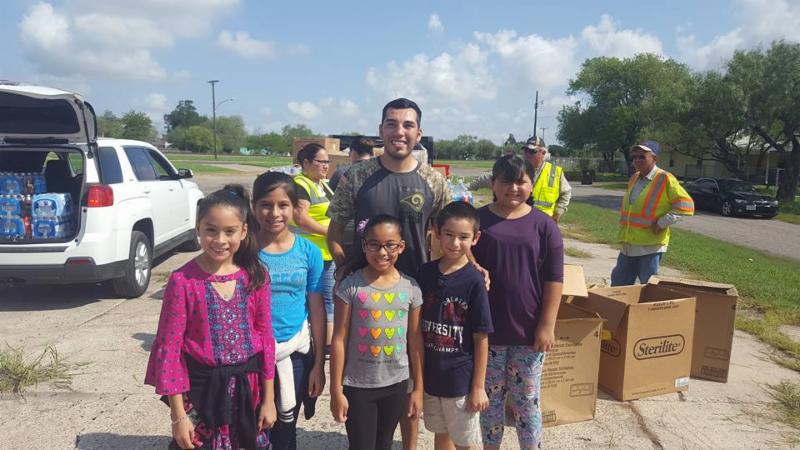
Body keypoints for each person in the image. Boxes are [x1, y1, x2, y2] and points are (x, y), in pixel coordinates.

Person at [327, 97, 451, 449]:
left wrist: (469, 265)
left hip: (416, 293)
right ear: (381, 130)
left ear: (419, 133)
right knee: (369, 368)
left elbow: (447, 233)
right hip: (368, 294)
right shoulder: (358, 176)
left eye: (408, 125)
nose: (400, 132)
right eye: (392, 124)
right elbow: (334, 232)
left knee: (408, 374)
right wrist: (345, 267)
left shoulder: (433, 180)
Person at [145, 184, 276, 450]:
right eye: (211, 230)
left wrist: (269, 399)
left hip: (248, 391)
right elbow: (170, 349)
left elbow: (265, 338)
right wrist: (178, 415)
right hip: (200, 394)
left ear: (244, 231)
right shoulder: (182, 280)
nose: (220, 240)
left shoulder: (256, 277)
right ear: (198, 230)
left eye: (229, 231)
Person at [471, 155, 564, 450]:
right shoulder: (478, 220)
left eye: (521, 181)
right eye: (506, 181)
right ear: (494, 184)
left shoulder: (544, 225)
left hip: (528, 332)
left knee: (527, 401)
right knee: (490, 400)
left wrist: (547, 325)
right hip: (487, 333)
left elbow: (554, 278)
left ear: (531, 184)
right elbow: (458, 252)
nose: (513, 188)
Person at [329, 215, 425, 450]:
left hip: (396, 384)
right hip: (358, 385)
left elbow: (414, 341)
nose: (382, 252)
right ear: (364, 246)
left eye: (390, 245)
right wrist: (335, 391)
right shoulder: (351, 286)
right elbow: (339, 339)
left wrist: (418, 389)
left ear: (401, 246)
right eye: (374, 244)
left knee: (384, 444)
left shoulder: (411, 288)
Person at [252, 172, 326, 450]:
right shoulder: (243, 250)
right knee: (250, 426)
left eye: (283, 205)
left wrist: (318, 363)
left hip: (293, 354)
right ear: (254, 207)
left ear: (295, 208)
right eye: (265, 205)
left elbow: (316, 308)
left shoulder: (309, 252)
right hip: (251, 356)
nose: (274, 213)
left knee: (286, 428)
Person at [417, 202, 492, 450]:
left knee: (465, 441)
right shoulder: (424, 274)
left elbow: (481, 337)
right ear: (437, 233)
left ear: (475, 238)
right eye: (449, 234)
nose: (455, 243)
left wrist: (478, 387)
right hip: (431, 376)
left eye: (463, 237)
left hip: (460, 380)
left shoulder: (474, 280)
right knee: (441, 432)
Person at [611, 140, 694, 286]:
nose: (637, 160)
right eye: (635, 157)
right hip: (628, 245)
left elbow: (686, 205)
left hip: (649, 247)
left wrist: (663, 222)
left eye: (642, 157)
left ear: (654, 158)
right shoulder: (634, 178)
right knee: (618, 287)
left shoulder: (665, 178)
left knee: (647, 289)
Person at [292, 143, 336, 346]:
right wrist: (330, 231)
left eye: (328, 161)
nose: (326, 166)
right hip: (312, 253)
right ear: (306, 163)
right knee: (323, 298)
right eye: (321, 161)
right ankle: (324, 344)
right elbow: (300, 218)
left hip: (326, 252)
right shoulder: (302, 184)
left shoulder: (322, 184)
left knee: (325, 297)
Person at [469, 137, 571, 222]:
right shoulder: (517, 166)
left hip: (543, 221)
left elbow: (566, 192)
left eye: (532, 151)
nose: (527, 154)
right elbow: (488, 178)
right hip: (515, 218)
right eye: (525, 150)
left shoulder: (555, 172)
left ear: (543, 153)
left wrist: (558, 212)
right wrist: (466, 187)